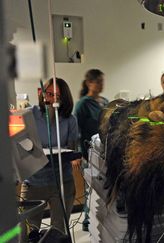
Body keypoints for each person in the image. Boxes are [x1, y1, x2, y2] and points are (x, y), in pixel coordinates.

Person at [21, 78, 79, 237]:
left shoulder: (70, 120)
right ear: (42, 93)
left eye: (58, 96)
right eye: (49, 94)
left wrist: (75, 157)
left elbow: (74, 148)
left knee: (58, 233)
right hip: (34, 183)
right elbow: (18, 144)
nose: (52, 99)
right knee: (28, 233)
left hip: (62, 182)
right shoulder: (29, 115)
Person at [74, 69, 109, 231]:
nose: (101, 85)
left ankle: (101, 219)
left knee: (104, 188)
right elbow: (77, 131)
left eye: (102, 81)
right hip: (89, 152)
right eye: (98, 82)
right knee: (91, 188)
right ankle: (88, 221)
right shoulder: (83, 104)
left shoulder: (105, 102)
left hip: (105, 152)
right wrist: (80, 154)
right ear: (90, 83)